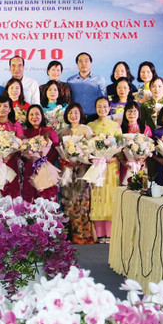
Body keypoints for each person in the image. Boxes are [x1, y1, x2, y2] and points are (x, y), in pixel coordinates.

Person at [58, 102, 94, 244]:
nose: (73, 116)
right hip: (68, 170)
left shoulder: (87, 130)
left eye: (76, 113)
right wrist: (67, 160)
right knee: (68, 201)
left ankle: (83, 235)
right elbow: (60, 151)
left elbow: (91, 151)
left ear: (81, 115)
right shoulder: (63, 132)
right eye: (70, 113)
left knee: (82, 201)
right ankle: (71, 234)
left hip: (82, 170)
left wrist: (80, 159)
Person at [87, 97, 121, 243]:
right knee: (97, 197)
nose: (102, 109)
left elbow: (121, 146)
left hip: (111, 166)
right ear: (95, 108)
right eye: (99, 106)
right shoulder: (90, 126)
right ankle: (99, 233)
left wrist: (114, 158)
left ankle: (111, 234)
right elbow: (86, 147)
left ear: (109, 108)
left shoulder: (115, 126)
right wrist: (93, 158)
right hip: (96, 167)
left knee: (111, 197)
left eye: (105, 106)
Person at [0, 95, 25, 202]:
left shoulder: (15, 125)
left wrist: (10, 155)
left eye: (5, 106)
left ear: (10, 109)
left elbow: (21, 144)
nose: (2, 109)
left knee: (10, 191)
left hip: (10, 163)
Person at [21, 105, 59, 203]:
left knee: (46, 197)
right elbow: (21, 151)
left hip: (46, 168)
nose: (34, 117)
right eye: (31, 114)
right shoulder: (25, 132)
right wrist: (28, 158)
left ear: (42, 116)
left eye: (37, 114)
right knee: (30, 197)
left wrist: (45, 161)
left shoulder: (49, 130)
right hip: (30, 168)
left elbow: (56, 148)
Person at [119, 101, 152, 184]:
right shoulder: (120, 129)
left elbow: (150, 146)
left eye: (134, 111)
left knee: (142, 188)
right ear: (125, 113)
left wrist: (142, 158)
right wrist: (123, 162)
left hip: (141, 164)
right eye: (129, 111)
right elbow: (117, 148)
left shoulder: (145, 128)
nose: (132, 113)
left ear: (139, 112)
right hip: (125, 164)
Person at [66, 52, 104, 118]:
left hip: (95, 117)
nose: (83, 63)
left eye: (86, 61)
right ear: (77, 64)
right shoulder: (70, 81)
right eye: (80, 61)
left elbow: (104, 99)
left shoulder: (99, 80)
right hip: (76, 117)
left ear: (91, 63)